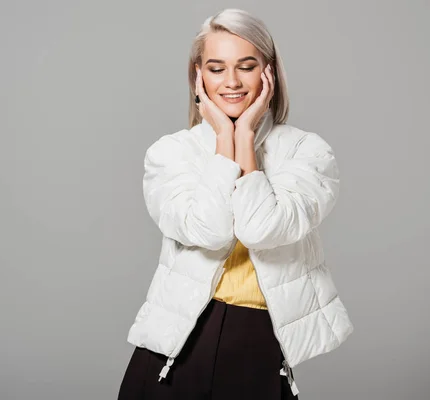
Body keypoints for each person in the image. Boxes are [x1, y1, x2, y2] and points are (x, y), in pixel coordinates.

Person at [118, 8, 354, 400]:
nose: (231, 81)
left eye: (246, 66)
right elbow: (208, 231)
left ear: (269, 73)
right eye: (215, 68)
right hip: (176, 351)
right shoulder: (171, 153)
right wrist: (224, 142)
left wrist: (244, 135)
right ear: (198, 76)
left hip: (257, 344)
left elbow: (260, 229)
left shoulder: (307, 152)